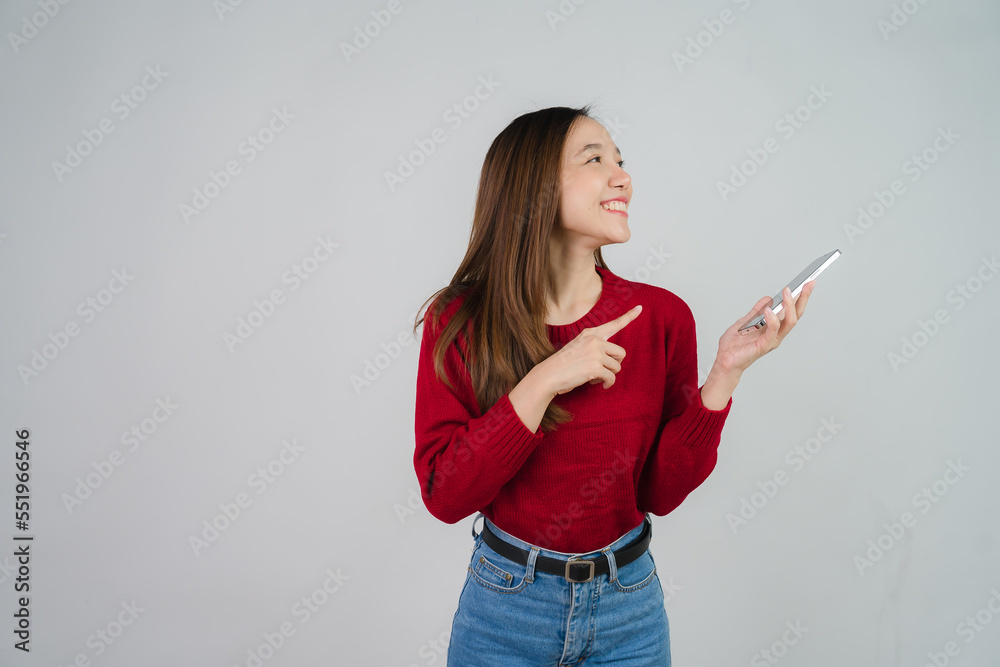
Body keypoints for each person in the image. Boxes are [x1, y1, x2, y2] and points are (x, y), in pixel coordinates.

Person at [411, 105, 816, 665]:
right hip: (506, 610)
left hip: (629, 607)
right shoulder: (461, 320)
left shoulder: (661, 317)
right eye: (594, 159)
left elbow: (660, 494)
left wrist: (726, 373)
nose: (623, 176)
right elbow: (445, 493)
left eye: (621, 161)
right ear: (534, 185)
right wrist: (547, 378)